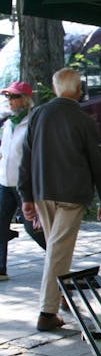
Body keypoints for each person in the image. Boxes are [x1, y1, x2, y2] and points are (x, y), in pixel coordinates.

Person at [18, 67, 101, 331]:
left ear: (55, 86)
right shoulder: (84, 120)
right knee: (58, 250)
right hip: (72, 194)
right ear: (79, 89)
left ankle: (62, 296)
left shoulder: (37, 115)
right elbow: (97, 162)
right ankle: (48, 312)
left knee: (57, 249)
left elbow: (26, 158)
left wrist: (26, 195)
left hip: (43, 192)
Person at [0, 81, 46, 281]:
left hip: (24, 186)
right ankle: (0, 269)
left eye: (14, 96)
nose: (10, 101)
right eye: (8, 96)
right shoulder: (8, 123)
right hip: (4, 183)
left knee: (33, 228)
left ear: (25, 100)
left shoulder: (33, 123)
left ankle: (58, 257)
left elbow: (37, 157)